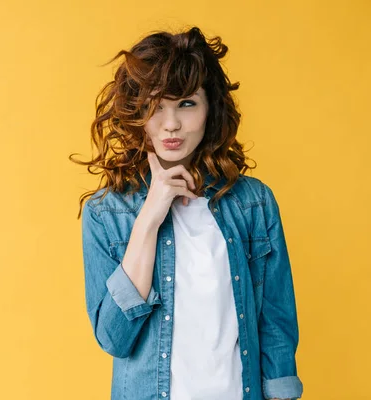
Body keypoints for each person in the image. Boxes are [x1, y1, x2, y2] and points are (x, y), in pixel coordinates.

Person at [70, 26, 303, 400]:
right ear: (136, 114)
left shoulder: (254, 204)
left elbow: (275, 324)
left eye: (186, 104)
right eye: (154, 107)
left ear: (211, 108)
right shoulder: (107, 213)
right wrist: (149, 218)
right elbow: (114, 339)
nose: (171, 124)